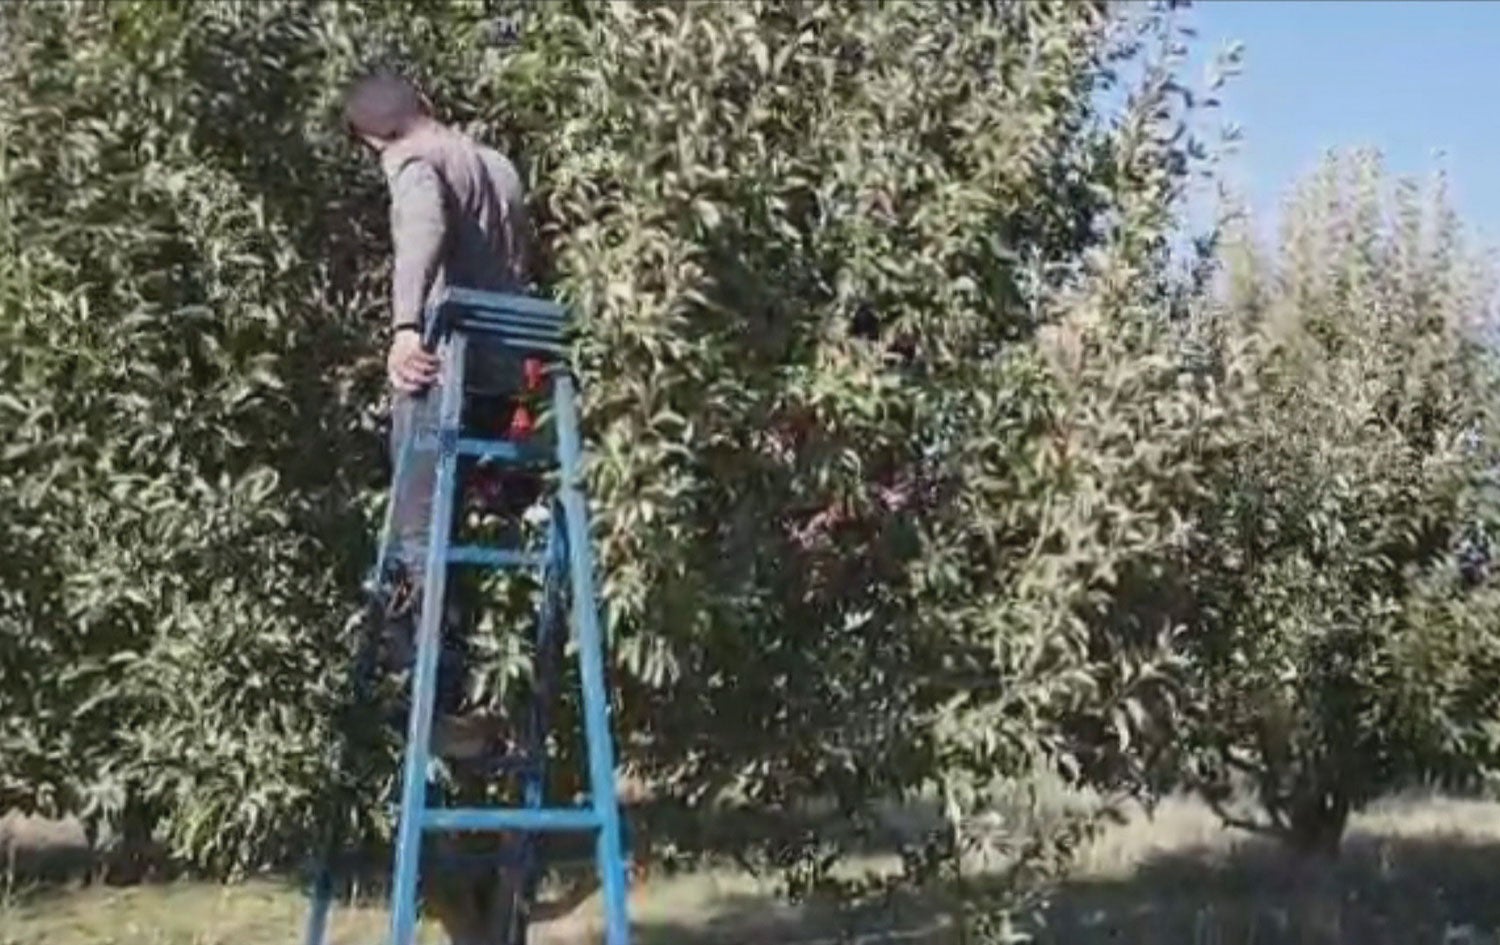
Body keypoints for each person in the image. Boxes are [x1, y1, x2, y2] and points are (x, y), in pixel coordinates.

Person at [342, 72, 531, 761]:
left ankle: (433, 701)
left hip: (442, 374)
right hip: (500, 375)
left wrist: (403, 329)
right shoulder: (497, 164)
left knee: (414, 535)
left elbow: (423, 229)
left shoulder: (416, 166)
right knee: (450, 531)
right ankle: (469, 683)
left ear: (374, 139)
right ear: (427, 103)